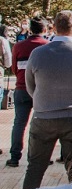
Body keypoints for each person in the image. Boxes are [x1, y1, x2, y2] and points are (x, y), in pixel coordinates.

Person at [22, 11, 72, 189]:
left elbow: (31, 86)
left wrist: (43, 100)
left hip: (43, 116)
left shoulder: (37, 54)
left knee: (35, 169)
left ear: (54, 28)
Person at [8, 17, 47, 167]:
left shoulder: (18, 46)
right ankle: (39, 156)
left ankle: (14, 157)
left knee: (19, 123)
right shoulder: (47, 46)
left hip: (21, 88)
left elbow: (14, 68)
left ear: (30, 29)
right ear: (44, 30)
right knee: (41, 124)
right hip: (40, 90)